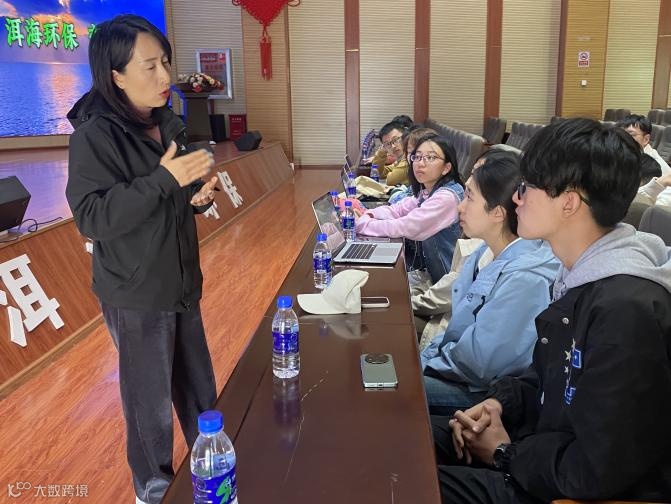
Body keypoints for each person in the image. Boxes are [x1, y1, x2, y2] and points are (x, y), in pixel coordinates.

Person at [434, 118, 671, 503]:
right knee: (405, 443)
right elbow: (550, 378)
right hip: (539, 452)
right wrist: (500, 404)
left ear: (569, 203)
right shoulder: (577, 275)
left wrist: (504, 454)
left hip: (562, 491)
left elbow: (596, 469)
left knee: (401, 484)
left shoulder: (625, 311)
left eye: (526, 188)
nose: (516, 199)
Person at [65, 15, 218, 504]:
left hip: (181, 280)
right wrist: (166, 181)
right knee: (148, 405)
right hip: (135, 291)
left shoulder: (165, 122)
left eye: (165, 62)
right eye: (149, 66)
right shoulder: (94, 136)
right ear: (116, 75)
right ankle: (152, 492)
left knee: (199, 391)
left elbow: (171, 196)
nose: (165, 76)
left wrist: (196, 197)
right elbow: (92, 217)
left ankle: (213, 471)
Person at [420, 149, 558, 416]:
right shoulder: (485, 251)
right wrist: (426, 357)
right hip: (459, 370)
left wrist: (424, 364)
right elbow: (456, 334)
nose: (460, 207)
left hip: (484, 392)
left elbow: (480, 364)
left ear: (497, 212)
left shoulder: (525, 278)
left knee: (392, 390)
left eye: (469, 197)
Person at [355, 134, 464, 283]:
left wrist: (362, 224)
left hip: (445, 285)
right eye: (417, 157)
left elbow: (405, 226)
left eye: (430, 157)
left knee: (375, 283)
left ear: (446, 168)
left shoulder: (446, 198)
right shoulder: (428, 190)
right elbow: (398, 210)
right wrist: (369, 214)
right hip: (429, 273)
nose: (420, 163)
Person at [618, 114, 671, 206]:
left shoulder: (658, 166)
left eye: (631, 135)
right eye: (620, 135)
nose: (623, 139)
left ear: (646, 139)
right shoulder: (625, 155)